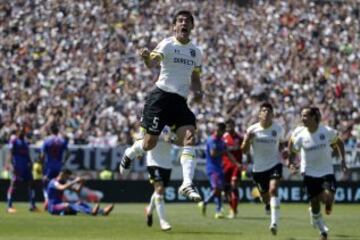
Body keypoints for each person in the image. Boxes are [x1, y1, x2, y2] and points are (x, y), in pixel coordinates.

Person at [119, 10, 203, 202]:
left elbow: (196, 78)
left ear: (192, 26)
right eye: (180, 21)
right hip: (160, 98)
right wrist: (146, 57)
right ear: (174, 26)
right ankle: (130, 152)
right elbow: (152, 64)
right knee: (149, 144)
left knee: (189, 137)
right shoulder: (167, 44)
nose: (184, 24)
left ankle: (187, 184)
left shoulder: (196, 52)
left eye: (187, 21)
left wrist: (199, 92)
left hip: (180, 102)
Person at [288, 106, 348, 240]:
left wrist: (343, 160)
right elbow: (292, 149)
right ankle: (323, 232)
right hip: (309, 173)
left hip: (326, 171)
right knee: (315, 202)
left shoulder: (326, 131)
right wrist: (291, 163)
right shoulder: (301, 135)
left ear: (314, 117)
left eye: (305, 116)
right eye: (302, 115)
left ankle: (324, 205)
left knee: (327, 198)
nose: (303, 118)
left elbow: (340, 143)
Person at [241, 102, 285, 235]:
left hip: (274, 165)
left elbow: (282, 146)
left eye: (268, 111)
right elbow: (244, 151)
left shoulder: (278, 129)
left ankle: (274, 223)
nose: (266, 113)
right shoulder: (252, 130)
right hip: (258, 169)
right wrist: (248, 139)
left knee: (273, 190)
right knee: (265, 197)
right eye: (263, 111)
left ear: (272, 115)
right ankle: (267, 204)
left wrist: (288, 158)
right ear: (259, 114)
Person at [198, 122, 237, 219]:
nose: (216, 131)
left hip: (220, 168)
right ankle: (207, 204)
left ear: (223, 131)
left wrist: (237, 164)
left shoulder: (222, 141)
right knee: (217, 189)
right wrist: (223, 151)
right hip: (212, 168)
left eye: (218, 130)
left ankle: (217, 210)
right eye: (216, 129)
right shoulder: (212, 140)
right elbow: (213, 154)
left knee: (219, 189)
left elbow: (227, 153)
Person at [47, 169, 114, 216]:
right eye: (66, 177)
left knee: (80, 203)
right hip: (53, 207)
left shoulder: (63, 182)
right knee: (67, 205)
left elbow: (77, 190)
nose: (67, 179)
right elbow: (62, 187)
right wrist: (75, 181)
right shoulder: (54, 182)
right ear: (62, 174)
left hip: (61, 206)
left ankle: (102, 212)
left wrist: (82, 183)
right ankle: (92, 212)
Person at [145, 126, 173, 231]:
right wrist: (138, 152)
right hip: (153, 162)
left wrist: (171, 138)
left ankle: (149, 210)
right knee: (160, 190)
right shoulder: (150, 124)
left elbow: (178, 139)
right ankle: (163, 222)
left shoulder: (171, 126)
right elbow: (141, 140)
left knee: (158, 191)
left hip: (167, 164)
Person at [6, 124, 39, 213]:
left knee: (32, 184)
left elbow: (27, 154)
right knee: (13, 184)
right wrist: (10, 164)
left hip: (26, 167)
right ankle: (9, 206)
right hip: (17, 166)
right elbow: (10, 153)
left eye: (22, 131)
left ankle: (32, 205)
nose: (21, 132)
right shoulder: (14, 140)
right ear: (17, 132)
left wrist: (31, 162)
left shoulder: (25, 142)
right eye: (20, 130)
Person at [40, 124, 69, 209]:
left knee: (46, 184)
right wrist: (64, 162)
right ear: (57, 131)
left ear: (50, 131)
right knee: (59, 184)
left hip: (49, 166)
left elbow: (42, 155)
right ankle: (57, 202)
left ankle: (47, 200)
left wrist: (42, 164)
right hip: (59, 166)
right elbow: (68, 152)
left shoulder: (47, 140)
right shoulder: (62, 140)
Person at [222, 119, 243, 219]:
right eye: (227, 126)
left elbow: (245, 150)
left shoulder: (239, 138)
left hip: (236, 165)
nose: (229, 128)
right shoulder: (223, 138)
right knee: (226, 189)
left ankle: (234, 211)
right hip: (225, 166)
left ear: (234, 125)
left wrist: (244, 163)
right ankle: (232, 208)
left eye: (230, 126)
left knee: (234, 186)